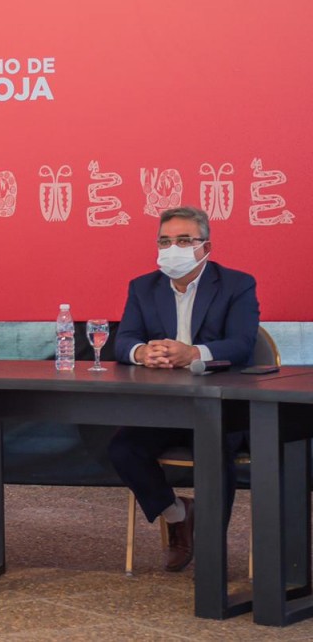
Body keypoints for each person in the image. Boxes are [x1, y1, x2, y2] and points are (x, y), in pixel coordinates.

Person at [108, 206, 259, 572]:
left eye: (183, 240)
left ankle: (211, 552)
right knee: (123, 449)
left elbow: (242, 344)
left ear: (205, 247)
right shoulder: (143, 287)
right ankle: (178, 514)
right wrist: (142, 352)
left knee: (214, 452)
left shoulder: (237, 284)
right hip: (165, 406)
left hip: (219, 405)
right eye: (165, 241)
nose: (172, 248)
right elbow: (123, 340)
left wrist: (193, 353)